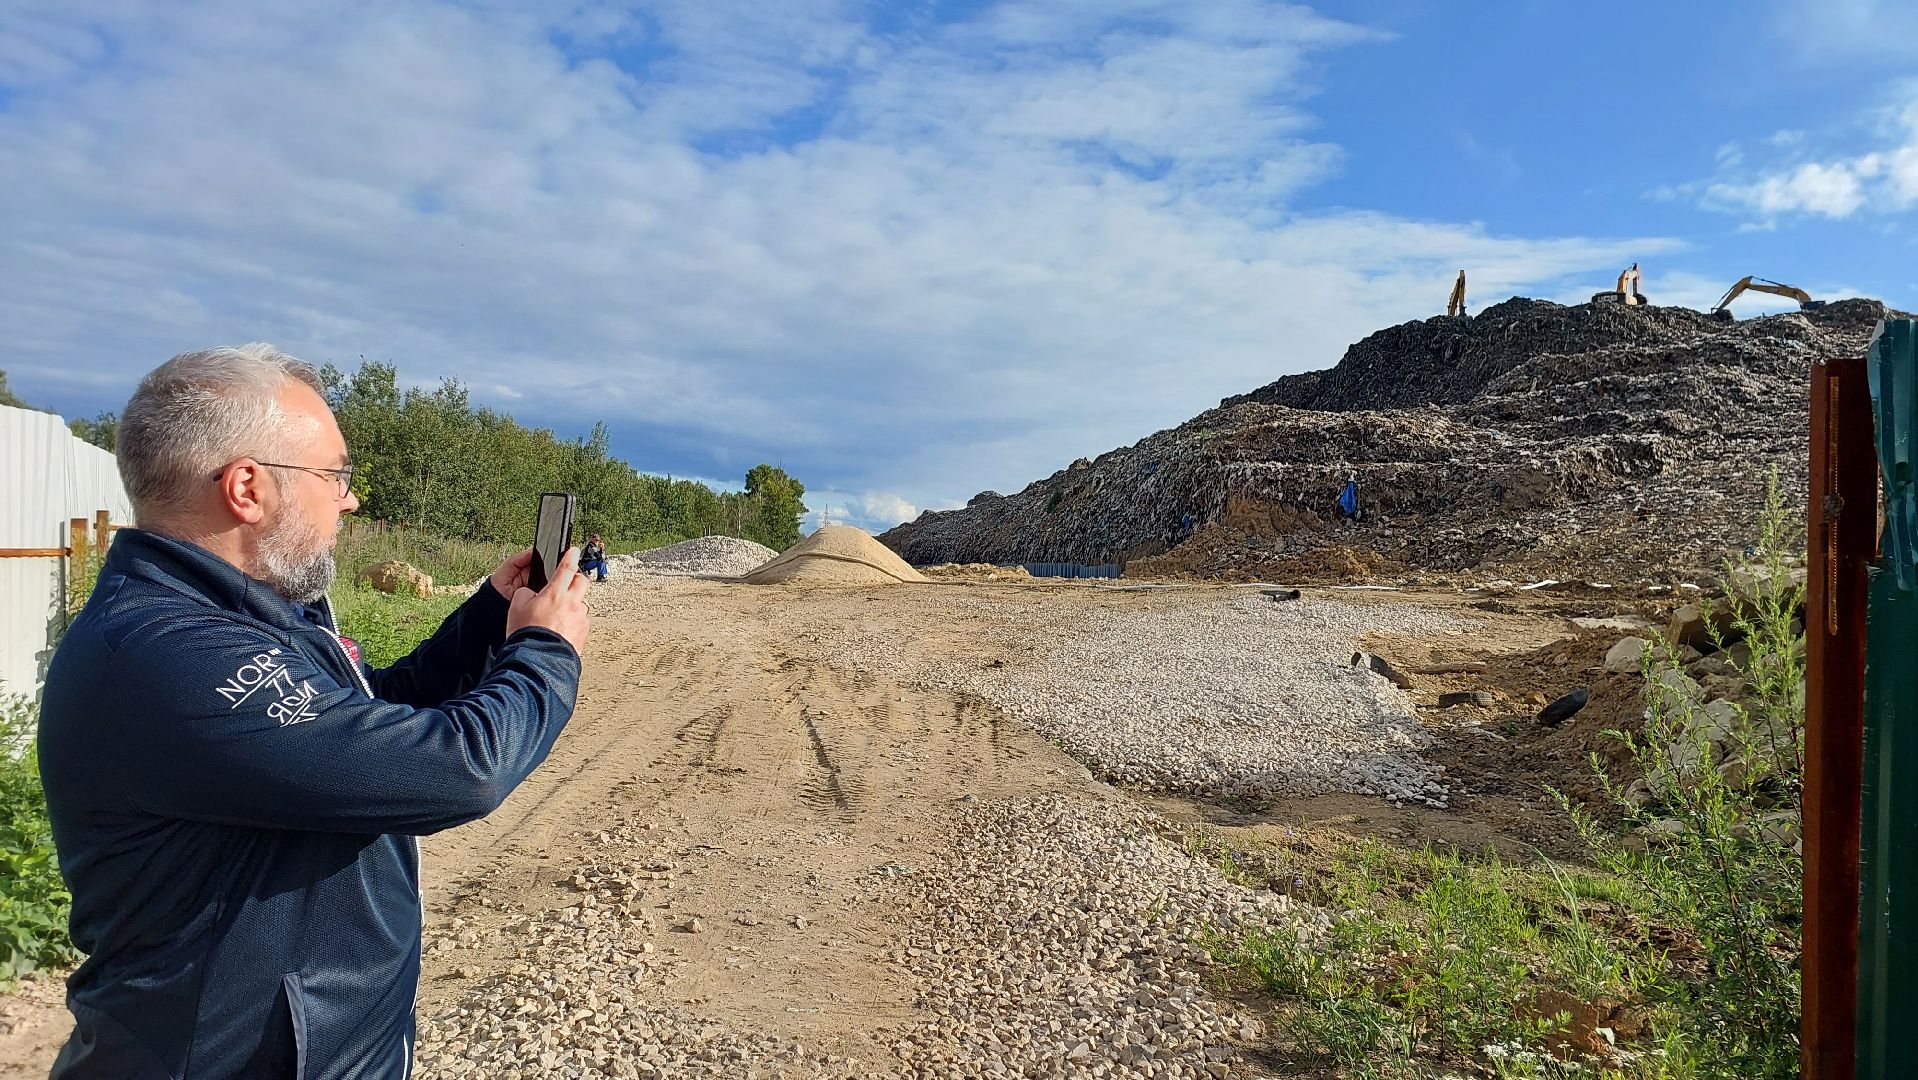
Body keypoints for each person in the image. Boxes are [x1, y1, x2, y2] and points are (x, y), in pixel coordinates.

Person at [37, 344, 591, 1079]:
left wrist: (489, 617)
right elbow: (458, 769)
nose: (350, 497)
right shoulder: (167, 655)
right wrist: (547, 653)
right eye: (336, 474)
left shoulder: (245, 615)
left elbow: (360, 720)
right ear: (247, 487)